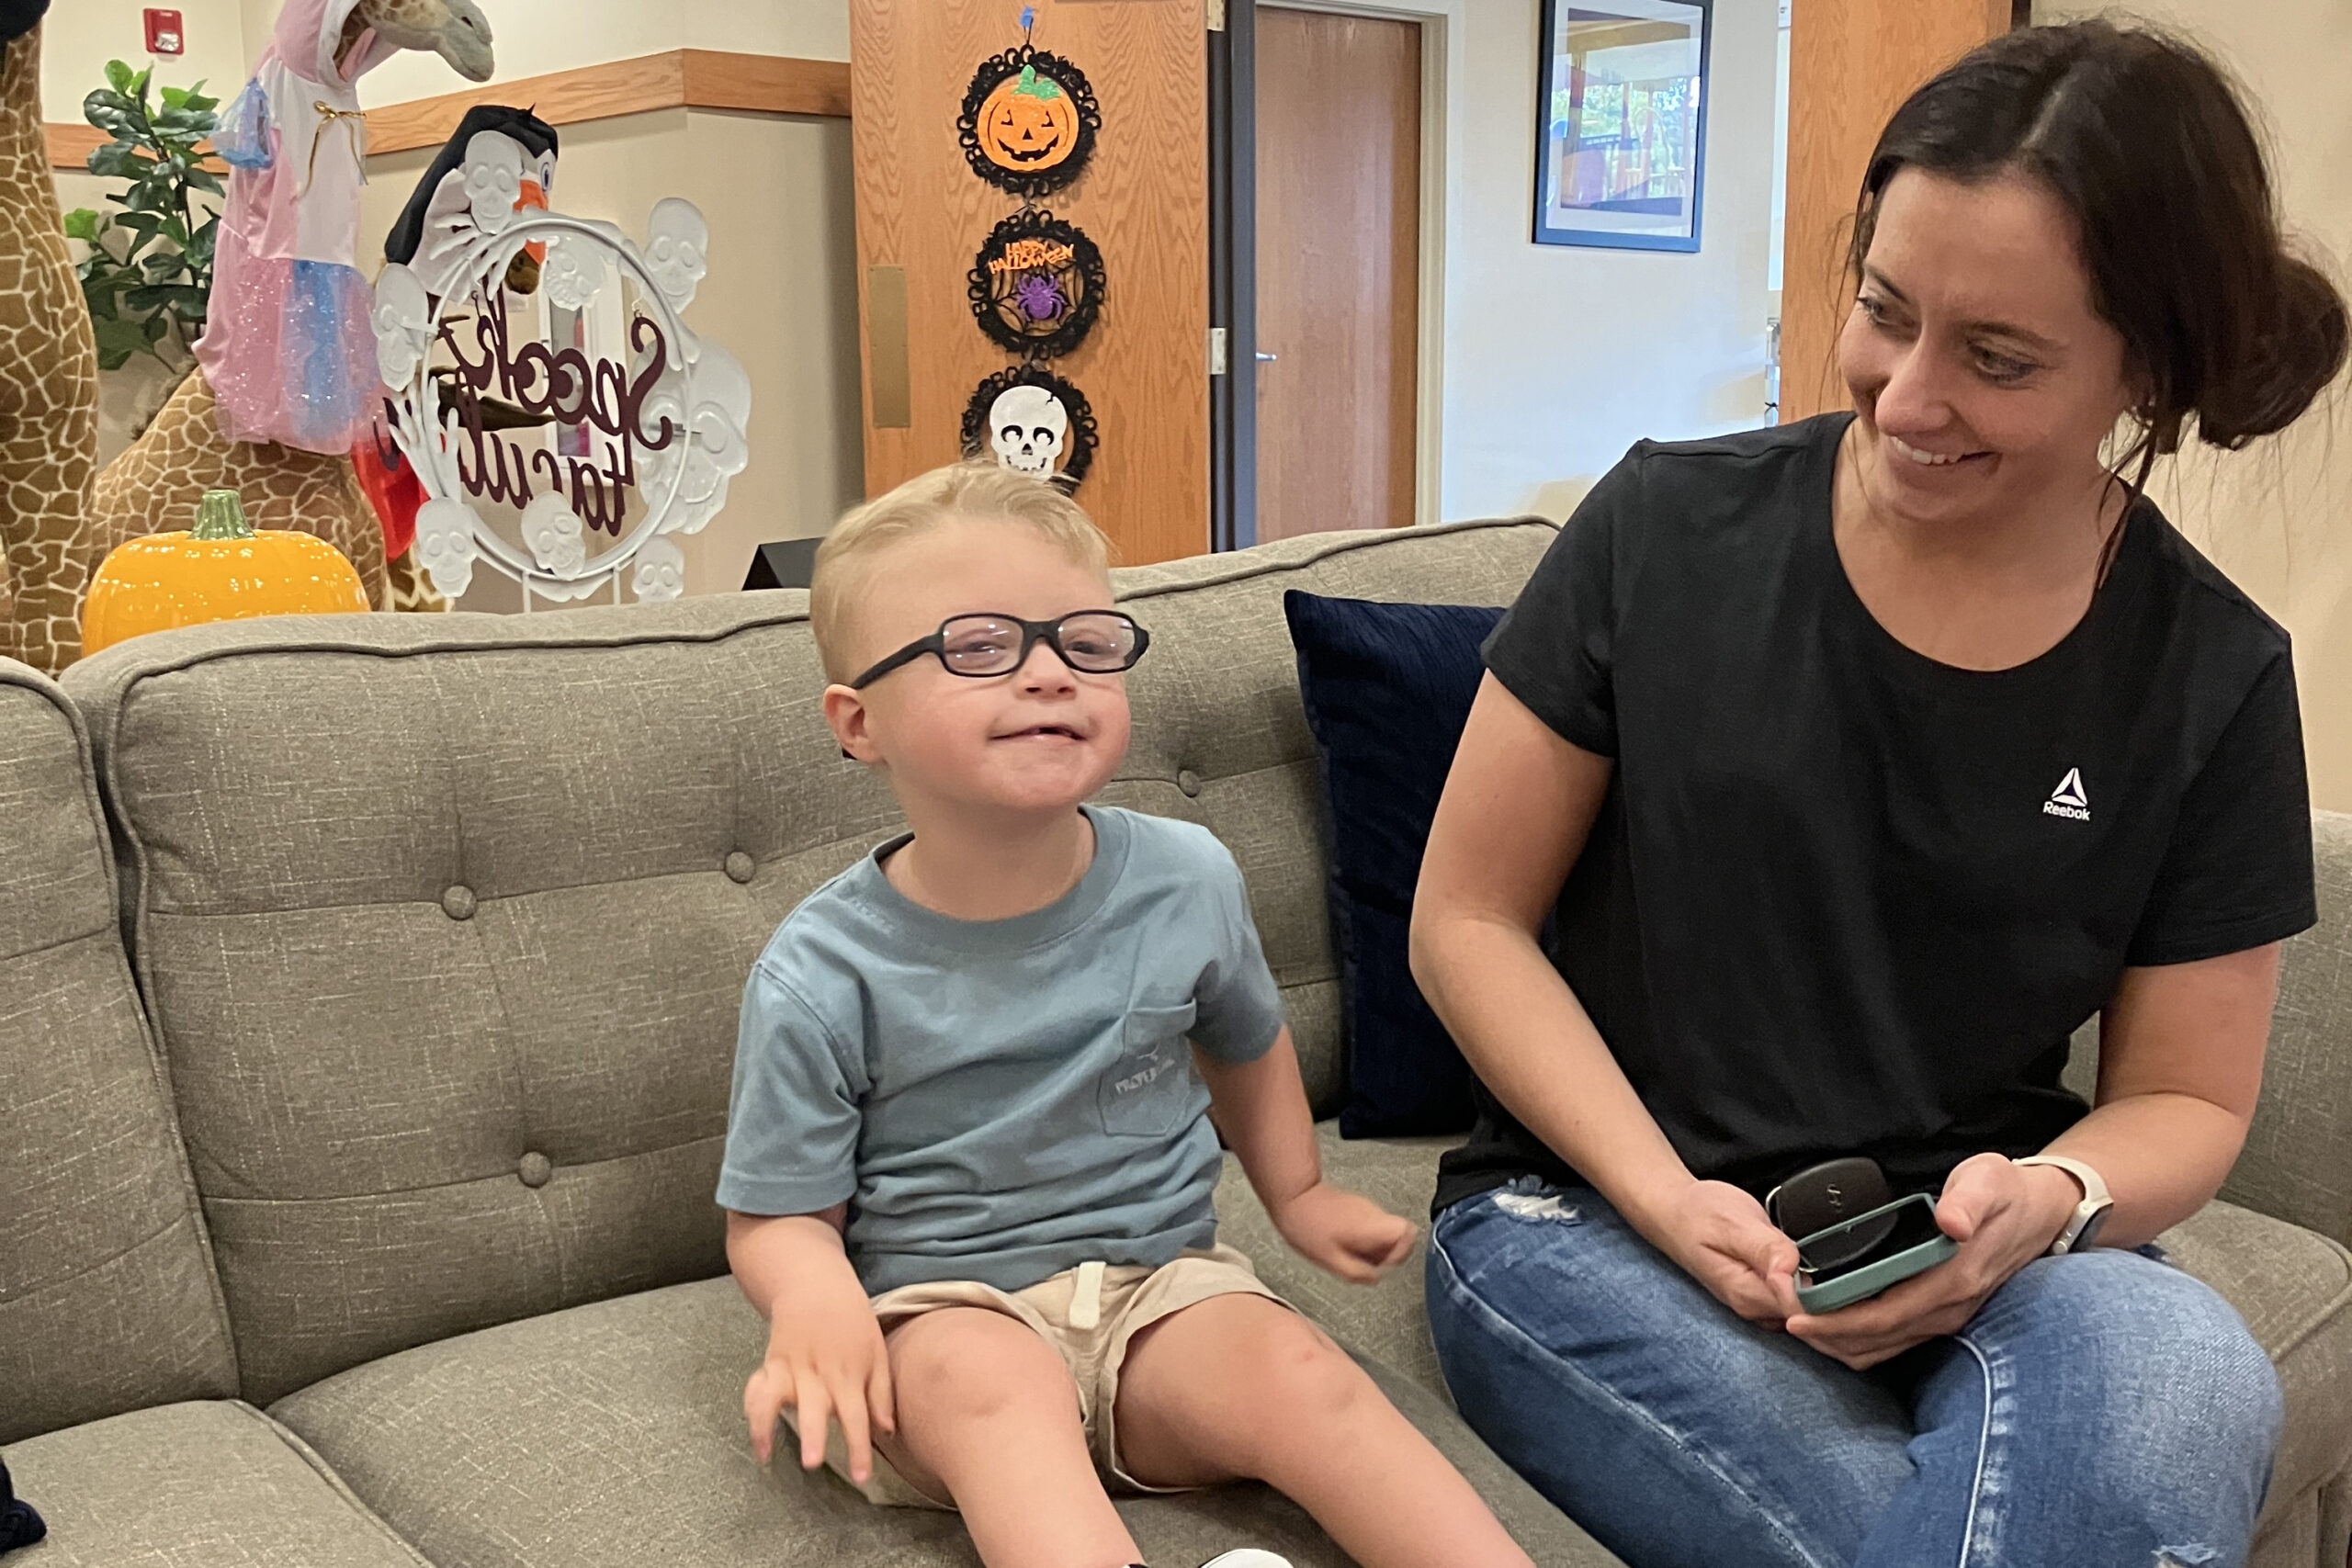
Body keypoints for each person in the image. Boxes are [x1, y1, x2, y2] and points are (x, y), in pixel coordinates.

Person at [1409, 20, 2346, 1568]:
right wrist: (1658, 1194)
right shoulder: (1662, 527)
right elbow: (1467, 917)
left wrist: (2054, 1194)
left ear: (2150, 368)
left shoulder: (2212, 671)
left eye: (1996, 358)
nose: (1906, 397)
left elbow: (2186, 1095)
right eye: (1883, 312)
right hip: (1583, 1224)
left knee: (2189, 1366)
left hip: (1982, 1250)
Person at [719, 463, 1539, 1568]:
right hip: (941, 1324)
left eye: (1086, 641)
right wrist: (814, 1307)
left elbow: (1245, 1048)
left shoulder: (1186, 876)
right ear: (859, 723)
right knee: (996, 1387)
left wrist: (1295, 1196)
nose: (1049, 674)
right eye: (978, 647)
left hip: (1160, 1296)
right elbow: (776, 1216)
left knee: (1304, 1376)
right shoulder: (819, 974)